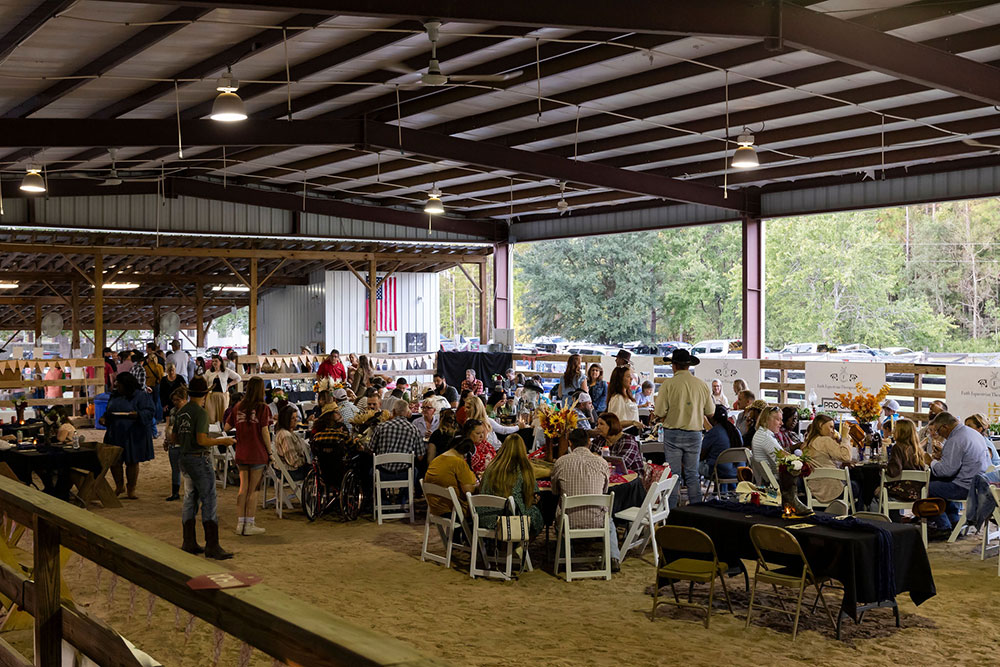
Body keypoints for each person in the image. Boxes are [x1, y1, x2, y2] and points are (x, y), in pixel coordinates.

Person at [172, 377, 235, 559]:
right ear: (206, 394)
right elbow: (202, 440)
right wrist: (223, 440)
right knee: (209, 499)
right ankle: (212, 545)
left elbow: (174, 438)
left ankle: (189, 541)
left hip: (184, 457)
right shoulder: (200, 413)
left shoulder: (182, 412)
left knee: (190, 498)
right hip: (198, 458)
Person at [550, 428, 620, 572]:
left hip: (568, 521)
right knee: (609, 520)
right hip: (597, 520)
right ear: (589, 442)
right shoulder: (601, 462)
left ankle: (566, 556)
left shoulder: (561, 462)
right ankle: (613, 557)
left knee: (559, 516)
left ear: (569, 443)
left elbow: (555, 491)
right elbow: (604, 491)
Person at [653, 349, 715, 508]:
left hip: (672, 433)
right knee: (692, 474)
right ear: (688, 365)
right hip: (694, 433)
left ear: (673, 366)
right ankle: (697, 511)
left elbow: (659, 412)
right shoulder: (701, 385)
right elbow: (711, 411)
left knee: (673, 475)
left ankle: (672, 512)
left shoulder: (668, 385)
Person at [927, 411, 990, 536]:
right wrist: (944, 454)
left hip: (965, 486)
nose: (939, 435)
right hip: (980, 483)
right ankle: (954, 521)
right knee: (939, 486)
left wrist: (931, 462)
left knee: (926, 488)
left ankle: (943, 526)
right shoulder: (971, 433)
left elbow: (946, 471)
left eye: (938, 431)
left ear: (945, 427)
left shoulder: (955, 439)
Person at [225, 377, 272, 537]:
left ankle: (240, 523)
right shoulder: (263, 408)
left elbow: (226, 426)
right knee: (254, 489)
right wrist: (270, 452)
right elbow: (265, 431)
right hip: (257, 452)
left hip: (242, 451)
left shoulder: (238, 407)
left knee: (243, 488)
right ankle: (250, 523)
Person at [102, 372, 154, 499]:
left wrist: (138, 415)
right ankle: (119, 486)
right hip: (115, 432)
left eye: (119, 385)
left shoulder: (141, 396)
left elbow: (149, 412)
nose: (116, 387)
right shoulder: (114, 396)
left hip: (133, 433)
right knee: (115, 461)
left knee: (132, 461)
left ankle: (132, 488)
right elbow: (108, 411)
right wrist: (104, 418)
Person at [477, 434, 543, 535]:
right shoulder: (524, 470)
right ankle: (520, 547)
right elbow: (530, 495)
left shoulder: (491, 467)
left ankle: (510, 547)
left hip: (485, 518)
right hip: (510, 522)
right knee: (536, 515)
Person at [371, 400, 427, 503]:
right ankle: (401, 500)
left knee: (371, 472)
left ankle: (384, 502)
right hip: (404, 474)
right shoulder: (414, 429)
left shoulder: (381, 427)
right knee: (415, 472)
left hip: (382, 474)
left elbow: (371, 449)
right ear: (407, 413)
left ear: (393, 411)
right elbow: (420, 456)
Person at [882, 418, 931, 517]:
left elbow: (894, 471)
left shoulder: (898, 447)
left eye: (895, 429)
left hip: (903, 490)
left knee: (874, 493)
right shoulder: (917, 449)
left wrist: (883, 468)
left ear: (901, 432)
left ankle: (886, 521)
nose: (893, 431)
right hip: (918, 490)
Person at [801, 414, 853, 505]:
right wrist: (845, 437)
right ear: (821, 425)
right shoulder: (825, 441)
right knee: (858, 487)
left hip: (813, 489)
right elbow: (846, 457)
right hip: (832, 490)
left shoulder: (806, 443)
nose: (833, 431)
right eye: (831, 427)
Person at [424, 436, 477, 516]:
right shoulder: (458, 462)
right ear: (466, 454)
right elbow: (468, 490)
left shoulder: (437, 459)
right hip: (453, 510)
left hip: (436, 508)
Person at [700, 405, 742, 494]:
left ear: (712, 418)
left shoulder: (713, 432)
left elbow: (701, 455)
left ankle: (694, 495)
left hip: (720, 471)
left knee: (690, 465)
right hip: (738, 470)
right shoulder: (736, 431)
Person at [274, 405, 312, 481]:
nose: (296, 420)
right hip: (290, 472)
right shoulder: (285, 435)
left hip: (291, 469)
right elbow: (293, 461)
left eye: (296, 417)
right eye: (292, 418)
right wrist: (306, 461)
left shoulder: (288, 432)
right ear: (286, 419)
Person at [205, 356, 241, 427]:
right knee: (211, 417)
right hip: (211, 396)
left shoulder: (226, 371)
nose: (214, 363)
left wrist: (229, 385)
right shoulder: (208, 372)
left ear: (220, 362)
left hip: (223, 396)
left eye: (216, 361)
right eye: (213, 361)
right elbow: (204, 382)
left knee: (223, 416)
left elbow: (238, 378)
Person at [751, 406, 784, 484]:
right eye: (778, 419)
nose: (781, 423)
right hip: (777, 481)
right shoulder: (766, 438)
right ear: (766, 419)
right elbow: (787, 458)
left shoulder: (761, 433)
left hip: (769, 479)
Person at [964, 413, 1000, 482]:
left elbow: (982, 466)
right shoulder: (977, 441)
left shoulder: (985, 444)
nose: (965, 429)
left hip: (992, 479)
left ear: (979, 429)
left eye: (969, 426)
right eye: (965, 426)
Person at [607, 366, 642, 431]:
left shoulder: (628, 396)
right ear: (620, 379)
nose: (631, 378)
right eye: (628, 376)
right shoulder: (617, 398)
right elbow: (616, 422)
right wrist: (633, 422)